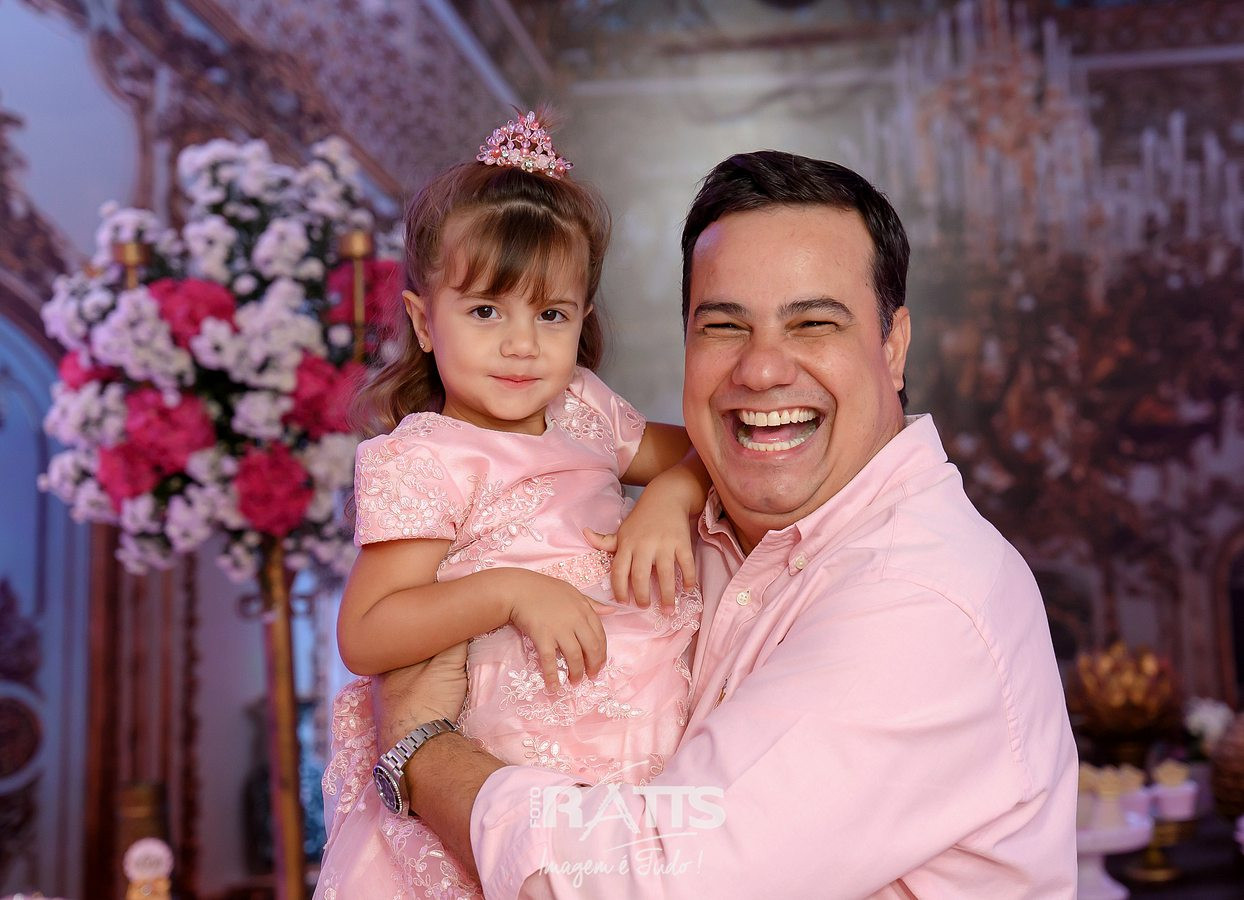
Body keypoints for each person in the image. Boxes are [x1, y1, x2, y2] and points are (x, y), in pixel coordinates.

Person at [368, 150, 1080, 898]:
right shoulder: (696, 527)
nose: (762, 370)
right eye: (724, 326)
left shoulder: (923, 600)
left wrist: (420, 752)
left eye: (813, 323)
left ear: (893, 347)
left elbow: (653, 881)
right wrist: (676, 492)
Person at [313, 111, 709, 899]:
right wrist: (509, 592)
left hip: (643, 718)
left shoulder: (585, 411)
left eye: (550, 314)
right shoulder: (424, 457)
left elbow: (716, 452)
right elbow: (367, 632)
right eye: (486, 311)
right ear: (425, 322)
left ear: (581, 320)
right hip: (506, 746)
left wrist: (669, 493)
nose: (522, 344)